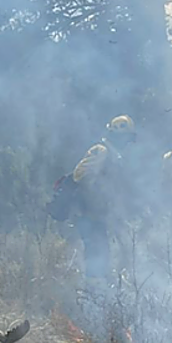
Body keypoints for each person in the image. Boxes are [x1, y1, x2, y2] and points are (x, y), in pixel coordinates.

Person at [67, 115, 138, 281]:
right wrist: (97, 201)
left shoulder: (115, 156)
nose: (128, 143)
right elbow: (80, 176)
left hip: (99, 217)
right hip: (90, 216)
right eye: (126, 138)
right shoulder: (102, 151)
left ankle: (97, 296)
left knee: (102, 256)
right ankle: (92, 299)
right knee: (97, 257)